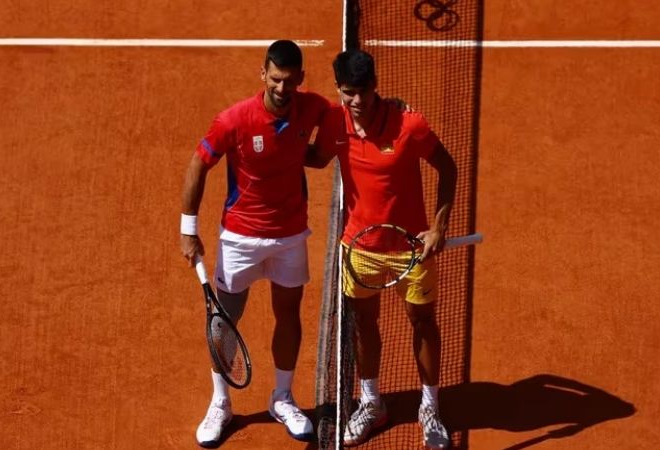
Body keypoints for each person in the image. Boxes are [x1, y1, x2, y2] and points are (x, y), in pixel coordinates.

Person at [306, 49, 458, 448]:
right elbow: (315, 158)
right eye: (347, 92)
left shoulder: (409, 124)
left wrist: (438, 227)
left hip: (412, 249)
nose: (356, 101)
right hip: (361, 249)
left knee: (422, 323)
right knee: (363, 325)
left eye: (362, 91)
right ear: (340, 90)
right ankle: (372, 403)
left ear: (376, 87)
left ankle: (430, 407)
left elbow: (448, 167)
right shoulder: (336, 123)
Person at [179, 40, 327, 447]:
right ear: (263, 74)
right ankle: (221, 402)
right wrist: (188, 229)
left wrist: (394, 106)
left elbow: (337, 129)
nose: (282, 88)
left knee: (288, 315)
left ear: (300, 78)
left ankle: (283, 397)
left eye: (289, 81)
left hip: (291, 235)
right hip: (240, 237)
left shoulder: (314, 108)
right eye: (275, 79)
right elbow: (198, 163)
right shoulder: (234, 120)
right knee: (223, 323)